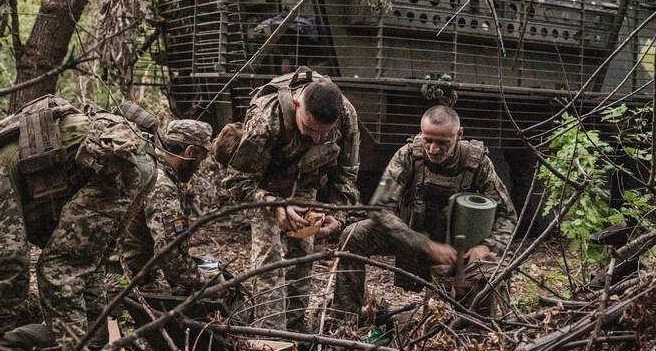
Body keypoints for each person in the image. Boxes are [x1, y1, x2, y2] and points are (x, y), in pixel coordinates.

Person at [0, 96, 157, 351]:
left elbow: (13, 259)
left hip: (116, 167)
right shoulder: (1, 165)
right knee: (85, 263)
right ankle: (96, 349)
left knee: (57, 268)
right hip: (137, 161)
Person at [332, 105, 517, 322]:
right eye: (428, 140)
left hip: (457, 248)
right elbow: (379, 209)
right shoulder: (409, 155)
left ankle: (473, 325)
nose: (433, 149)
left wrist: (487, 246)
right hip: (412, 235)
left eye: (442, 143)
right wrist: (425, 244)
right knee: (353, 235)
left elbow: (507, 215)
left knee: (441, 318)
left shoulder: (477, 162)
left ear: (459, 134)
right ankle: (345, 320)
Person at [223, 67, 359, 331]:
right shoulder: (266, 117)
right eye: (309, 128)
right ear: (296, 104)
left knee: (303, 258)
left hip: (306, 182)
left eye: (323, 133)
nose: (316, 138)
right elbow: (236, 181)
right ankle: (271, 336)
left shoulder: (346, 115)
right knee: (269, 263)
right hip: (265, 187)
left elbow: (347, 175)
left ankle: (296, 331)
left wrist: (337, 214)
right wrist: (274, 205)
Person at [122, 119, 213, 292]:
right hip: (130, 282)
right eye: (199, 160)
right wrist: (205, 282)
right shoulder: (162, 185)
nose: (198, 168)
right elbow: (170, 257)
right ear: (189, 152)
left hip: (133, 272)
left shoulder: (150, 165)